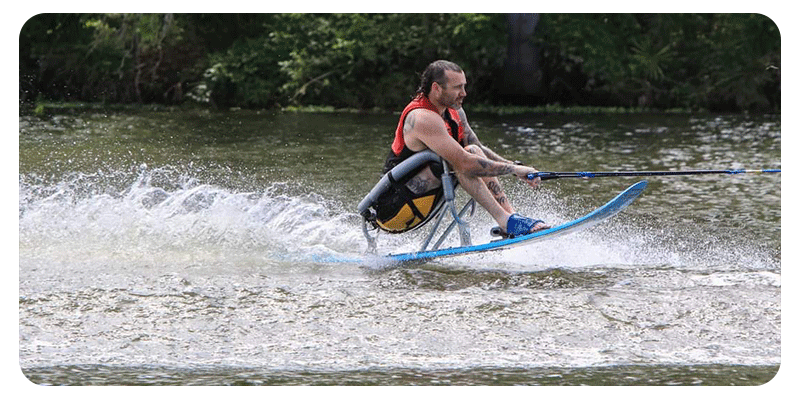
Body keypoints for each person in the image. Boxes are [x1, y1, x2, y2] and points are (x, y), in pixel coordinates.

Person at [373, 60, 550, 236]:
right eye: (457, 87)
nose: (464, 93)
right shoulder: (422, 118)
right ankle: (506, 221)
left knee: (473, 150)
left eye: (464, 86)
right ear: (436, 88)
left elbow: (479, 149)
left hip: (422, 199)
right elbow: (465, 163)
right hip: (393, 208)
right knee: (464, 160)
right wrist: (514, 169)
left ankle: (510, 218)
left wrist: (515, 167)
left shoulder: (455, 111)